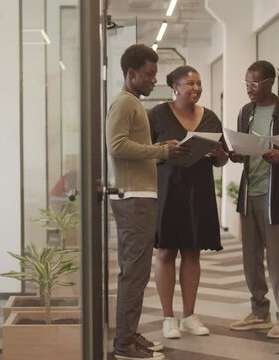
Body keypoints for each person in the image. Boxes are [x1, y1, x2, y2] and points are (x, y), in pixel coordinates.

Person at [106, 44, 187, 360]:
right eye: (149, 74)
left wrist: (157, 147)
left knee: (135, 272)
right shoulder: (124, 104)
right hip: (134, 198)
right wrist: (160, 151)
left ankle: (128, 333)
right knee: (135, 274)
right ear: (131, 73)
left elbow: (132, 145)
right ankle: (123, 344)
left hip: (141, 196)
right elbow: (117, 146)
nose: (155, 79)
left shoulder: (133, 103)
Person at [148, 65, 228, 339]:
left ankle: (190, 315)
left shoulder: (211, 117)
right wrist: (165, 152)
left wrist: (218, 153)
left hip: (199, 191)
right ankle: (168, 317)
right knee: (166, 251)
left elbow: (221, 159)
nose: (195, 88)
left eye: (198, 83)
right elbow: (144, 154)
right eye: (189, 83)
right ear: (175, 87)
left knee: (193, 252)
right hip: (168, 190)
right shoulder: (157, 114)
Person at [227, 61, 279, 339]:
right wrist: (237, 154)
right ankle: (259, 311)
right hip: (250, 194)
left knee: (277, 258)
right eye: (247, 83)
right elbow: (244, 149)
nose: (250, 88)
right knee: (250, 257)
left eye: (255, 84)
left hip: (275, 196)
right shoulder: (245, 112)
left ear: (270, 82)